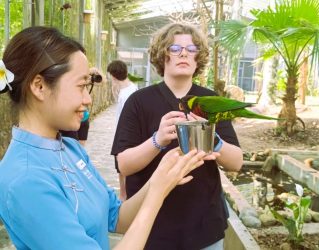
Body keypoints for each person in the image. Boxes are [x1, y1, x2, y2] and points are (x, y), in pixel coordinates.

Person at [0, 26, 217, 250]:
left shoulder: (70, 148)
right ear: (39, 86)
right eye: (82, 86)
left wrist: (160, 177)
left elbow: (116, 217)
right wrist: (157, 194)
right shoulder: (25, 180)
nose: (88, 99)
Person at [111, 23, 243, 250]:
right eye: (175, 48)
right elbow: (124, 165)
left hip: (205, 228)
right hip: (152, 228)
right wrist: (157, 140)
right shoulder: (139, 102)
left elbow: (237, 162)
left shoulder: (210, 100)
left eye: (191, 49)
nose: (184, 53)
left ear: (198, 57)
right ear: (162, 55)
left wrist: (213, 141)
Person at [107, 60, 138, 200]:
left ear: (113, 75)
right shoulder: (131, 88)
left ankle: (124, 196)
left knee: (122, 167)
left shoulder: (126, 94)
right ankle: (124, 195)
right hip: (127, 132)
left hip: (125, 133)